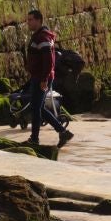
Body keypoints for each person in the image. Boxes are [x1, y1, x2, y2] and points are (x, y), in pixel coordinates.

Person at [25, 9, 75, 148]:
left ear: (39, 20)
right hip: (38, 77)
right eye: (28, 20)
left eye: (30, 20)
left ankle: (35, 139)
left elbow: (49, 61)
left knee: (36, 108)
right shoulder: (39, 36)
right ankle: (62, 132)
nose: (28, 22)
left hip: (41, 78)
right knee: (38, 107)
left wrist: (44, 79)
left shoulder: (43, 38)